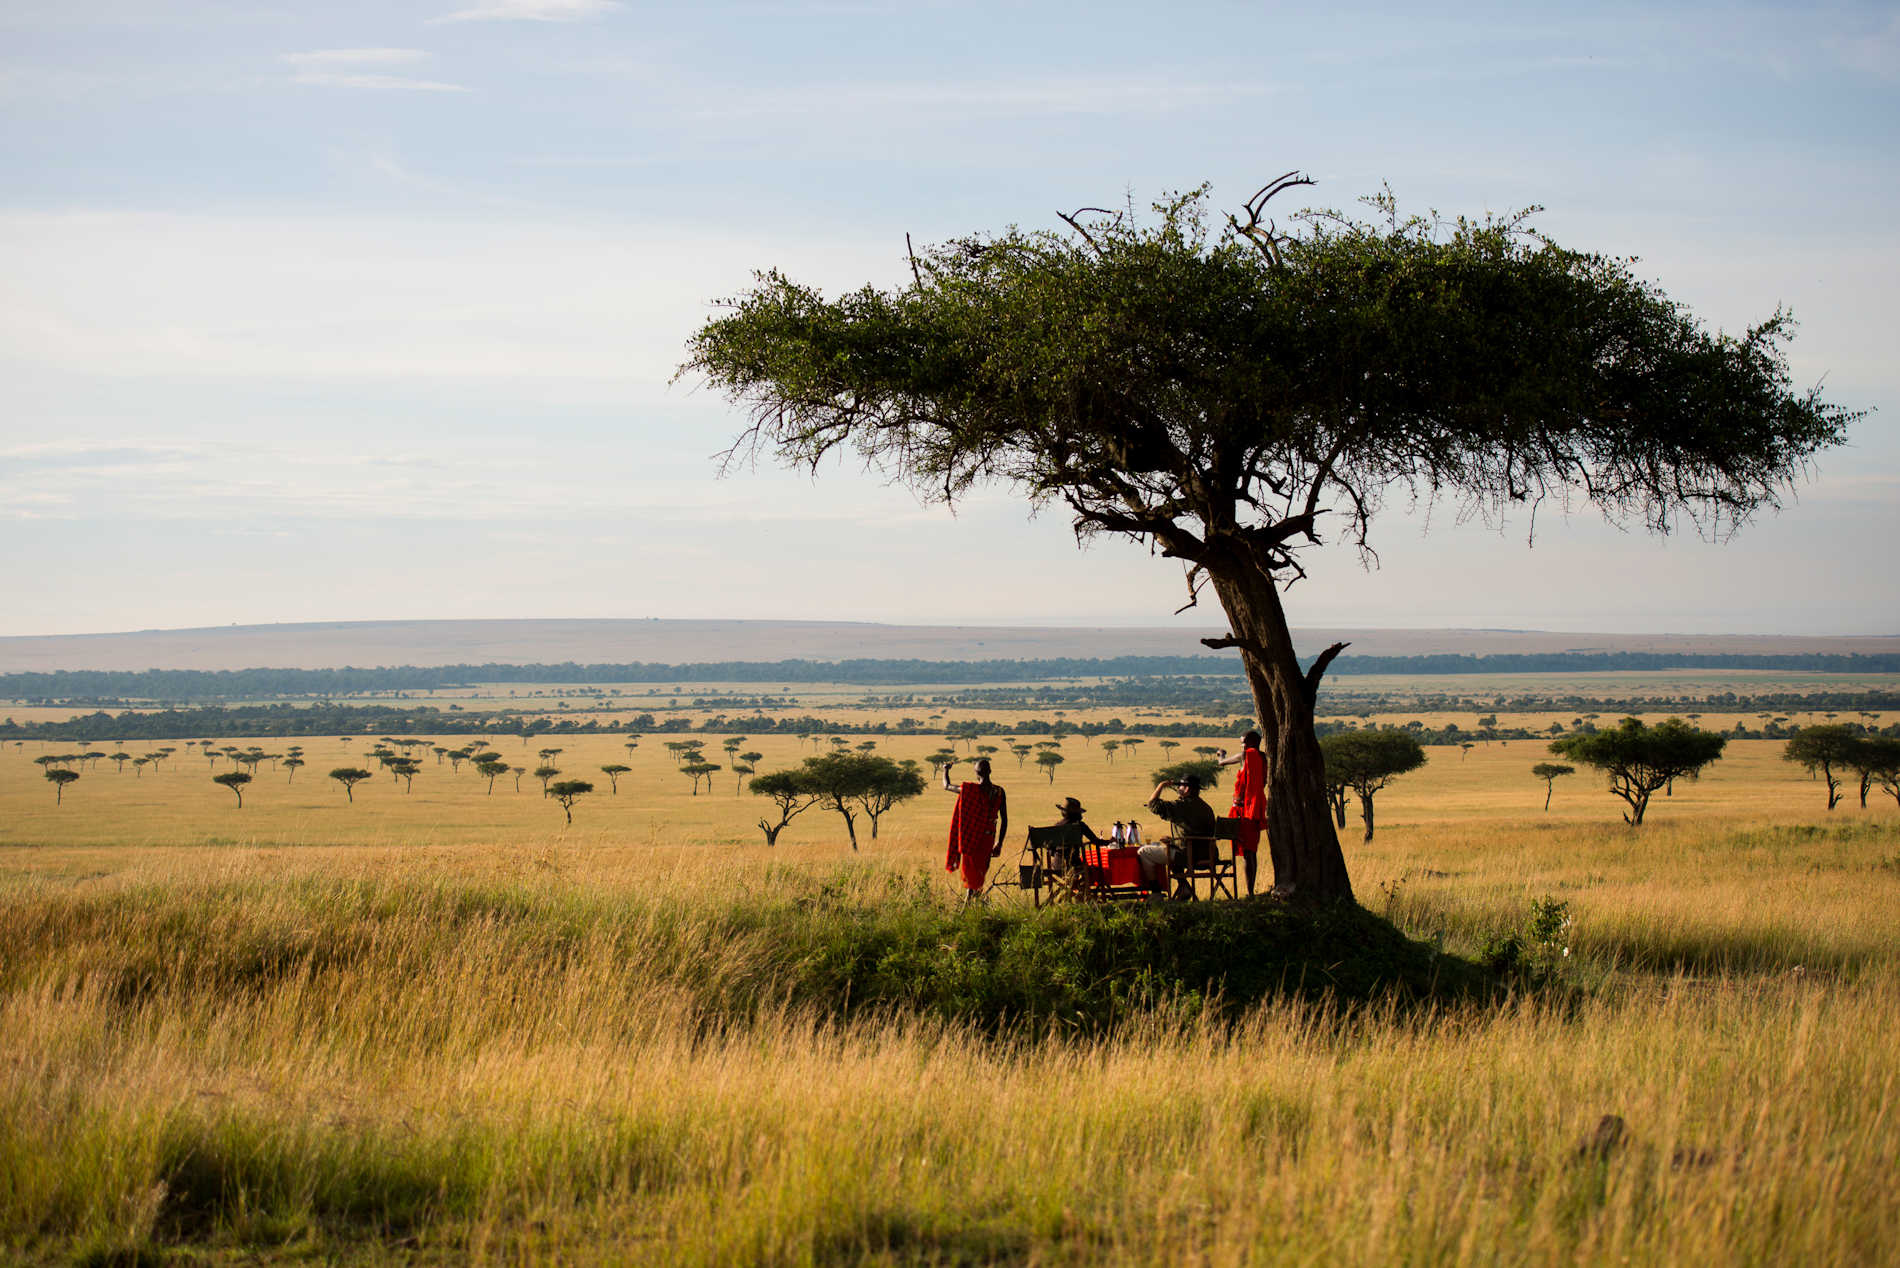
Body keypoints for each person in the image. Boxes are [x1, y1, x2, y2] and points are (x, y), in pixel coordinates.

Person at [943, 757, 1008, 901]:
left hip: (971, 838)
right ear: (990, 771)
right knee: (980, 873)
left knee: (971, 875)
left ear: (976, 774)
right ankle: (975, 904)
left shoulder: (969, 790)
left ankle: (969, 905)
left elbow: (946, 785)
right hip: (988, 838)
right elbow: (1004, 820)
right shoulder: (999, 792)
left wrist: (945, 770)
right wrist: (1000, 843)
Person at [1144, 773, 1217, 898]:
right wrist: (1173, 840)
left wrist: (1161, 786)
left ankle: (1156, 892)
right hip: (1209, 855)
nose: (1178, 789)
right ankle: (1184, 887)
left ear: (1187, 789)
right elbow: (1196, 833)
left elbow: (1153, 805)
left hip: (1187, 856)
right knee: (1171, 849)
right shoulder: (1206, 808)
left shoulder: (1181, 806)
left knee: (1144, 852)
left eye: (1181, 786)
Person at [1216, 730, 1266, 896]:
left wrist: (1221, 755)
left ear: (1251, 742)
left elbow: (1222, 763)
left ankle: (1249, 892)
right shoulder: (1263, 757)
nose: (1242, 745)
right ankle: (1250, 891)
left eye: (1243, 742)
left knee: (1247, 852)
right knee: (1251, 850)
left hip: (1244, 810)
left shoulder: (1246, 755)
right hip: (1256, 809)